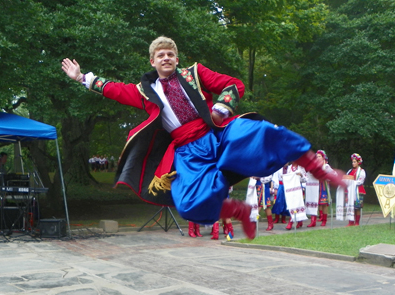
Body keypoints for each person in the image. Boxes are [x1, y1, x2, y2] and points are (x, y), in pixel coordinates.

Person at [61, 36, 344, 239]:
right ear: (152, 61)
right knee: (187, 203)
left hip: (215, 132)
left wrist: (221, 109)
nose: (166, 58)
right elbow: (113, 88)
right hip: (187, 151)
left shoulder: (194, 73)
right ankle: (239, 211)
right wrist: (81, 77)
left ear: (177, 58)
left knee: (264, 132)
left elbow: (233, 84)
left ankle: (318, 169)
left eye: (170, 54)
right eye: (160, 55)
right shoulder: (144, 91)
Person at [307, 150, 335, 228]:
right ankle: (313, 221)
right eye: (317, 156)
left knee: (324, 204)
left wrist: (326, 176)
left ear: (323, 157)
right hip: (314, 186)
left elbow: (333, 174)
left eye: (319, 156)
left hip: (323, 186)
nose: (317, 158)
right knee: (316, 203)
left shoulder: (326, 166)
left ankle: (324, 220)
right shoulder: (314, 166)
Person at [284, 163, 307, 230]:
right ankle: (300, 221)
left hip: (298, 189)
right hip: (290, 190)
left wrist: (301, 175)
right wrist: (285, 177)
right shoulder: (289, 167)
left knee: (297, 204)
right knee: (291, 205)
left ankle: (290, 223)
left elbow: (305, 179)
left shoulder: (301, 167)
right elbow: (287, 177)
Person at [346, 153, 366, 226]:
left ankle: (357, 222)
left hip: (358, 191)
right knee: (350, 206)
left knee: (357, 207)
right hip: (350, 191)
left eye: (354, 162)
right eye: (352, 162)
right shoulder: (350, 171)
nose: (353, 163)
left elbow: (360, 181)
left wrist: (352, 183)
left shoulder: (361, 171)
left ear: (358, 162)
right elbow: (346, 178)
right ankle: (350, 222)